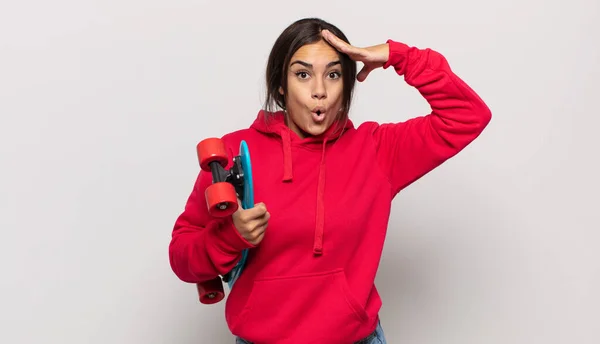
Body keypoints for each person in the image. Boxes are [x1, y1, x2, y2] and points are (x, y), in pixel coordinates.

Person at [169, 17, 492, 344]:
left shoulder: (376, 151)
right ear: (281, 84)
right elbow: (182, 257)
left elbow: (467, 116)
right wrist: (229, 237)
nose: (320, 91)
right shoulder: (234, 152)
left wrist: (398, 56)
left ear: (347, 84)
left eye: (333, 75)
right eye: (303, 74)